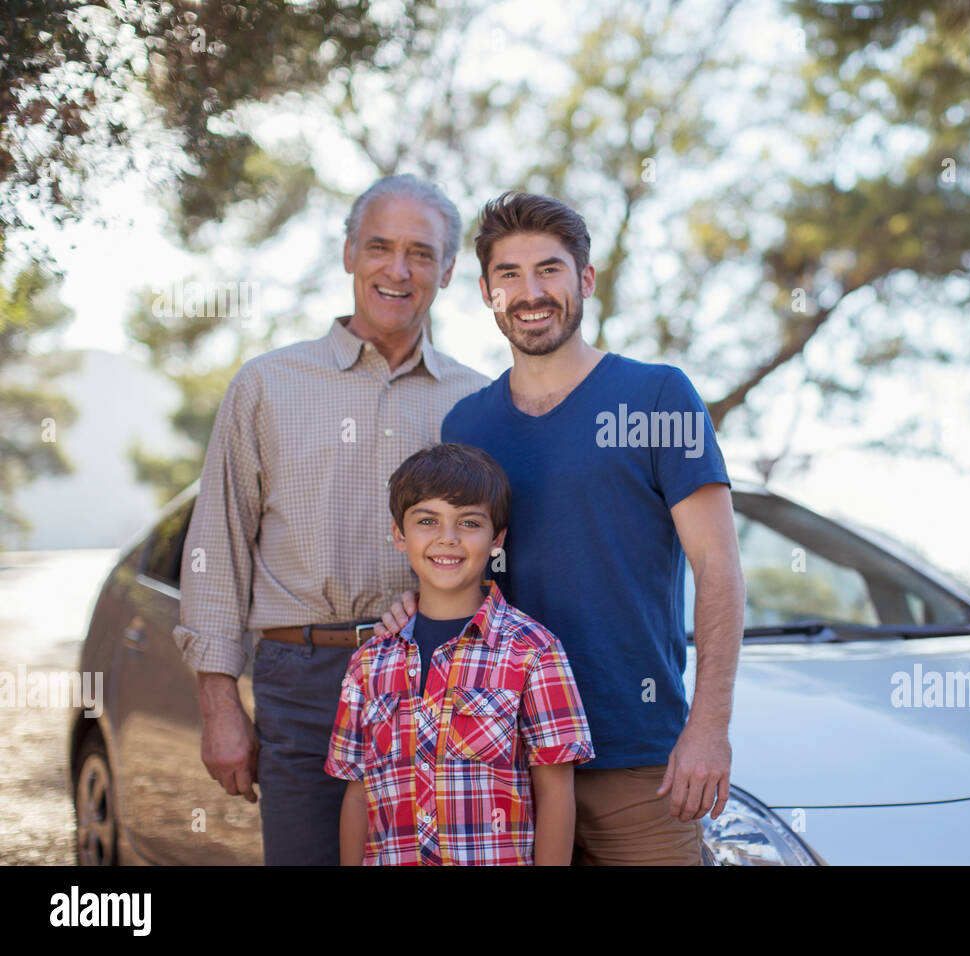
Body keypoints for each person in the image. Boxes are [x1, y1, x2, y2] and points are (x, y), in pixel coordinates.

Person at [380, 191, 746, 865]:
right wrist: (421, 608)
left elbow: (719, 568)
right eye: (509, 276)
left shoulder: (659, 397)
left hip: (638, 759)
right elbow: (465, 566)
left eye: (549, 269)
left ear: (585, 280)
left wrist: (710, 726)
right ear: (487, 293)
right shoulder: (467, 426)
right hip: (499, 759)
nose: (530, 292)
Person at [173, 174, 490, 865]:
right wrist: (219, 705)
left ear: (448, 269)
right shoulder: (267, 385)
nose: (398, 270)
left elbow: (503, 559)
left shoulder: (479, 403)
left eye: (421, 252)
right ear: (349, 253)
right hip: (303, 678)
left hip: (442, 679)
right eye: (379, 246)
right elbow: (216, 546)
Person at [326, 442, 594, 865]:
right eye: (427, 520)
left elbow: (556, 794)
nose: (447, 539)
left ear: (496, 539)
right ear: (399, 533)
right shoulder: (368, 663)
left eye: (469, 522)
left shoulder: (534, 652)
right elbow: (358, 795)